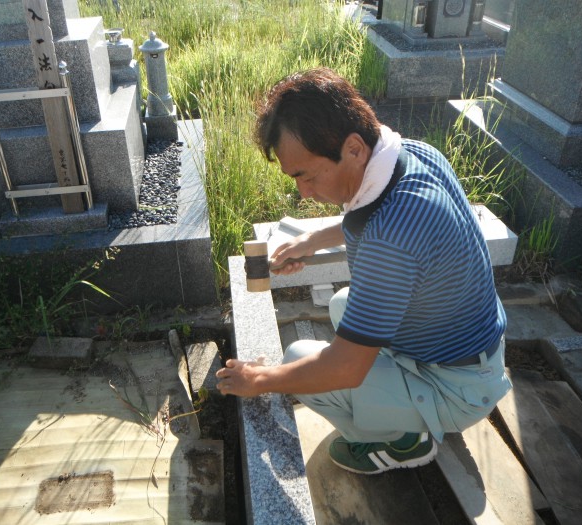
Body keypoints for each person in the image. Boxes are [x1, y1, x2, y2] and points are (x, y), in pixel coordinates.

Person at [215, 67, 511, 475]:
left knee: (300, 357)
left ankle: (403, 442)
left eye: (308, 175)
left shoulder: (391, 237)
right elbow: (369, 216)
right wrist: (311, 241)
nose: (303, 193)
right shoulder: (412, 155)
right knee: (342, 303)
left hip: (460, 386)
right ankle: (404, 407)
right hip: (470, 347)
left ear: (353, 149)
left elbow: (345, 368)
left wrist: (261, 380)